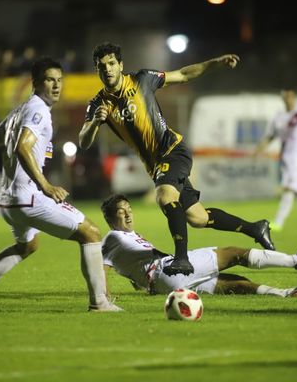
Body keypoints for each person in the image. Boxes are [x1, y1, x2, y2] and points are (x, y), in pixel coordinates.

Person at [0, 57, 121, 312]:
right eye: (49, 80)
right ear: (35, 83)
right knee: (91, 232)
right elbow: (23, 147)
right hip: (29, 198)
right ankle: (100, 303)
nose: (56, 86)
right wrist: (45, 185)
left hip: (9, 201)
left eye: (59, 80)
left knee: (28, 245)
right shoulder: (37, 110)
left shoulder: (18, 111)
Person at [79, 42, 275, 277]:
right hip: (155, 166)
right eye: (102, 66)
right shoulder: (99, 104)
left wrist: (215, 63)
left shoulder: (142, 80)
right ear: (97, 70)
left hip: (173, 150)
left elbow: (182, 74)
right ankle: (256, 228)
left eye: (112, 64)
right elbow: (83, 141)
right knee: (198, 218)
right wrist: (93, 125)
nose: (108, 69)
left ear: (120, 65)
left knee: (165, 197)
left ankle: (182, 259)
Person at [100, 194, 297, 297]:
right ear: (111, 219)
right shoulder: (111, 237)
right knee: (235, 254)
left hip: (165, 285)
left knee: (237, 285)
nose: (128, 214)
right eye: (122, 211)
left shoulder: (124, 238)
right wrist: (104, 298)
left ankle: (287, 293)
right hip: (168, 269)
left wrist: (137, 280)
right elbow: (100, 268)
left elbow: (128, 265)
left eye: (129, 209)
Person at [254, 89, 297, 232]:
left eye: (291, 96)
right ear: (283, 98)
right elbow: (271, 135)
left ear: (294, 97)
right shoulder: (278, 117)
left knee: (291, 188)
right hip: (286, 159)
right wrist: (259, 149)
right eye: (286, 97)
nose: (288, 99)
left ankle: (278, 222)